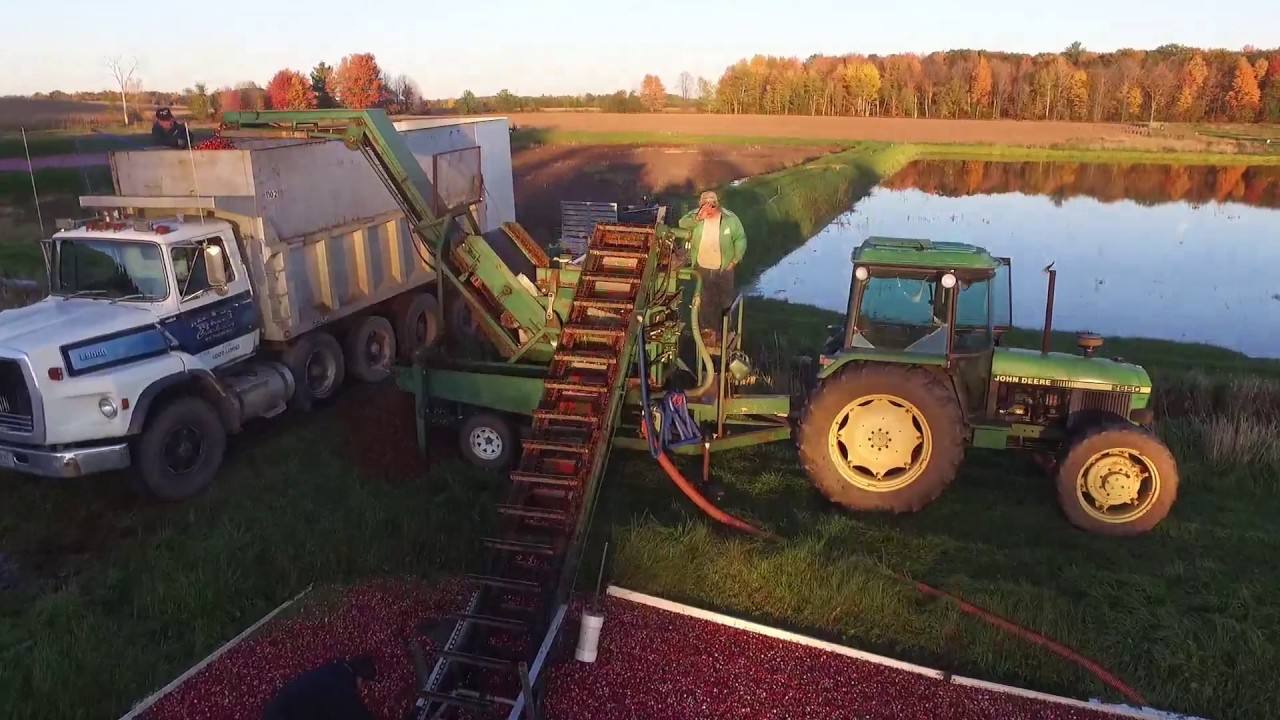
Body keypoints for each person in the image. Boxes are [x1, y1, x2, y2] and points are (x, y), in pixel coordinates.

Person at [678, 190, 747, 350]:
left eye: (711, 205)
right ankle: (708, 332)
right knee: (706, 300)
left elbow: (740, 239)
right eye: (705, 204)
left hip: (724, 267)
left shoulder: (730, 219)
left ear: (717, 205)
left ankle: (723, 331)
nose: (708, 208)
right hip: (703, 266)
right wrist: (697, 218)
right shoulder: (696, 216)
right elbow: (682, 224)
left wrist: (735, 260)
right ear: (701, 205)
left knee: (724, 300)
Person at [262, 654, 378, 720]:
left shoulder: (335, 672)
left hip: (280, 711)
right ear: (360, 677)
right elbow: (355, 714)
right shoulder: (340, 686)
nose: (362, 688)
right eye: (364, 684)